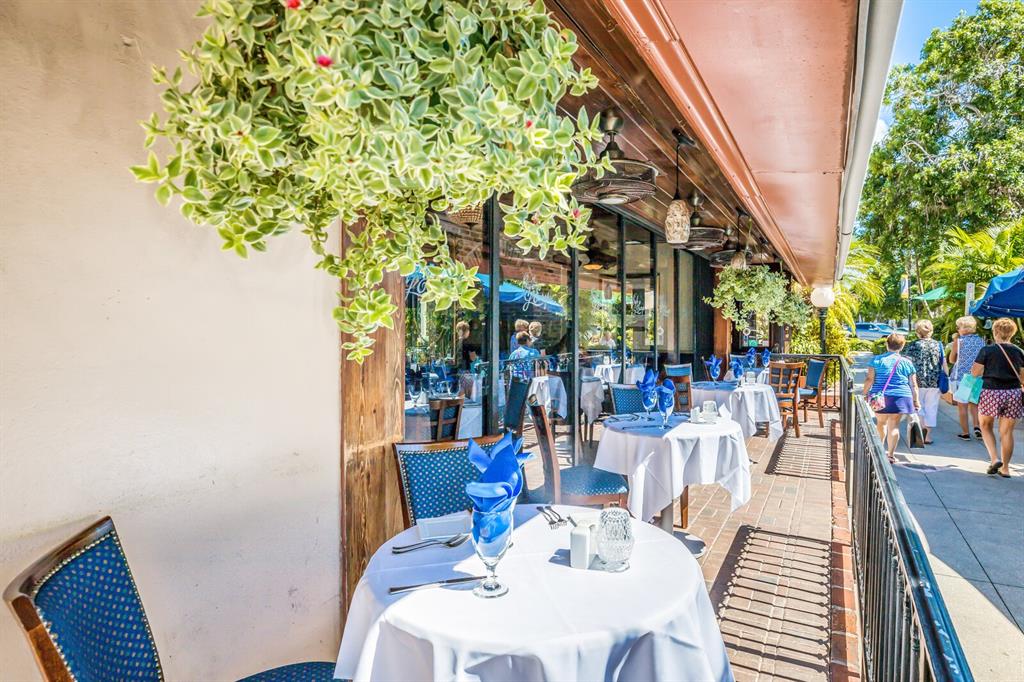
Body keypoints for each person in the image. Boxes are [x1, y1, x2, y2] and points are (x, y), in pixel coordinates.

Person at [971, 318, 1024, 478]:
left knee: (985, 425)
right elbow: (1023, 377)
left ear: (995, 332)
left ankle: (994, 459)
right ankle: (1006, 468)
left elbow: (975, 372)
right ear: (1012, 333)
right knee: (1007, 432)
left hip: (991, 391)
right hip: (1013, 392)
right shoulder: (1019, 351)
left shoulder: (987, 350)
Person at [863, 333, 921, 462]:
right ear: (902, 346)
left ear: (886, 344)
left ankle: (879, 451)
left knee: (881, 423)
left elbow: (869, 379)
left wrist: (864, 393)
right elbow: (914, 384)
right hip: (901, 396)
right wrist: (916, 401)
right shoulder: (907, 362)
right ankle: (891, 455)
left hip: (880, 396)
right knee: (894, 425)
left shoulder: (876, 360)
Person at [904, 319, 944, 444]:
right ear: (931, 331)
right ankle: (928, 436)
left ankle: (918, 434)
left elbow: (906, 363)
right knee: (932, 408)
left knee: (917, 406)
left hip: (917, 381)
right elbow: (943, 363)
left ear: (917, 332)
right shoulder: (938, 345)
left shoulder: (913, 345)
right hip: (934, 381)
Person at [948, 316, 985, 440]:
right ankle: (977, 426)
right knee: (974, 404)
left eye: (958, 327)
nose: (957, 329)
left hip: (961, 378)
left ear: (963, 329)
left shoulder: (958, 342)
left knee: (962, 406)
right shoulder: (981, 341)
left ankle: (965, 433)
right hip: (977, 377)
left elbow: (952, 360)